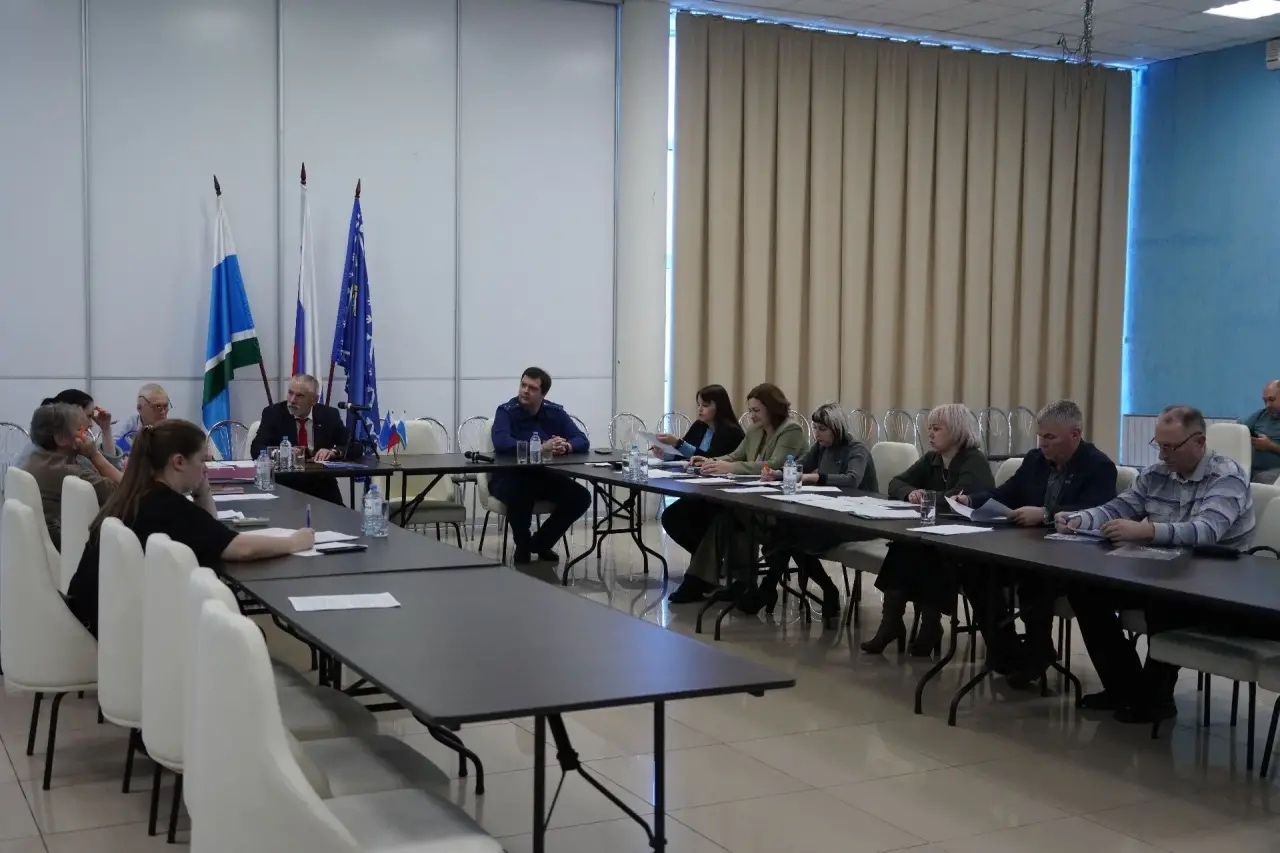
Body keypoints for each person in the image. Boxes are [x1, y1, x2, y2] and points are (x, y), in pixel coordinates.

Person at [1060, 405, 1255, 723]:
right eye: (1159, 445)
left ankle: (1156, 699)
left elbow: (1207, 531)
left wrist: (1147, 531)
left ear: (1199, 442)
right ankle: (1124, 686)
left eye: (1170, 447)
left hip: (1219, 584)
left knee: (1163, 601)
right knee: (1084, 588)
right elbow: (1118, 507)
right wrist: (1079, 519)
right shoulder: (1156, 474)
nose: (1163, 455)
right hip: (1163, 570)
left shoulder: (1227, 476)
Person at [65, 420, 314, 636]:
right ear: (179, 462)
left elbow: (211, 534)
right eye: (203, 460)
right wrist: (295, 541)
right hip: (118, 631)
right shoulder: (166, 506)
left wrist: (202, 492)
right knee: (247, 634)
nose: (206, 468)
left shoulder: (137, 494)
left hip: (97, 618)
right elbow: (239, 548)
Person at [955, 400, 1117, 683]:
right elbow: (1006, 493)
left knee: (1034, 579)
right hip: (1027, 546)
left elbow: (1095, 510)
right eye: (1040, 436)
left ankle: (1038, 650)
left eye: (1050, 437)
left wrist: (1046, 514)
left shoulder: (1099, 466)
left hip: (1070, 557)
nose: (1042, 443)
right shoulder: (1034, 460)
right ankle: (1004, 648)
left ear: (1075, 435)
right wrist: (971, 500)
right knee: (974, 567)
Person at [861, 403, 994, 656]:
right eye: (930, 428)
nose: (930, 434)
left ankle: (930, 625)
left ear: (956, 431)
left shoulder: (974, 460)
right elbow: (896, 483)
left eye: (937, 428)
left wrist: (926, 496)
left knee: (930, 553)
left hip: (967, 541)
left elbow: (962, 496)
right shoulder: (932, 459)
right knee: (903, 547)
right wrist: (910, 493)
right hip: (934, 532)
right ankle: (891, 623)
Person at [666, 382, 808, 604]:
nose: (752, 415)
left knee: (729, 516)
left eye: (757, 410)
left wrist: (730, 467)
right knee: (727, 517)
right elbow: (735, 456)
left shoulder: (791, 430)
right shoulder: (754, 430)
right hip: (755, 499)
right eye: (750, 410)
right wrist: (711, 461)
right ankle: (726, 582)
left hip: (782, 506)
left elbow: (774, 465)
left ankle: (707, 581)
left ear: (772, 408)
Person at [744, 402, 878, 627]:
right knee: (786, 531)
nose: (817, 434)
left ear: (837, 428)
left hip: (857, 520)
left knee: (787, 536)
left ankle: (770, 588)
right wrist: (778, 474)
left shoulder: (856, 449)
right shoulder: (821, 447)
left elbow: (852, 479)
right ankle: (818, 589)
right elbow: (800, 466)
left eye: (822, 429)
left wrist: (814, 477)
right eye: (815, 428)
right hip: (830, 514)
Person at [488, 367, 592, 565]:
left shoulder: (555, 412)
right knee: (521, 491)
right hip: (509, 477)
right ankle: (523, 546)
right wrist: (540, 447)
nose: (525, 391)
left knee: (581, 497)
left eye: (532, 388)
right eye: (523, 385)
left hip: (544, 476)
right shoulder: (506, 411)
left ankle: (540, 543)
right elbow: (501, 442)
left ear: (543, 394)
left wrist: (566, 446)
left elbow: (581, 439)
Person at [656, 385, 745, 557]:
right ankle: (705, 560)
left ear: (719, 406)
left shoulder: (730, 431)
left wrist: (678, 443)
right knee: (672, 517)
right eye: (698, 405)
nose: (700, 409)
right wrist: (666, 454)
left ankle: (706, 560)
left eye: (705, 405)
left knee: (675, 517)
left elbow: (710, 459)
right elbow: (686, 454)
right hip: (699, 488)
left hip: (720, 493)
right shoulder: (699, 426)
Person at [17, 403, 122, 548]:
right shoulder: (69, 473)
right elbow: (124, 493)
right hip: (68, 547)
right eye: (80, 430)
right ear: (61, 438)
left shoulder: (32, 456)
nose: (86, 435)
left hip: (37, 542)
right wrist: (95, 455)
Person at [250, 374, 349, 506]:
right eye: (290, 393)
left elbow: (353, 445)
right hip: (285, 485)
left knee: (341, 516)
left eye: (299, 396)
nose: (292, 400)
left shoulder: (329, 415)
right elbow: (257, 447)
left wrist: (333, 452)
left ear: (314, 400)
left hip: (322, 485)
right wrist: (280, 453)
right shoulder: (274, 413)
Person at [1241, 379, 1280, 484]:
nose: (1267, 405)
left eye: (1271, 400)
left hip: (1274, 473)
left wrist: (1270, 446)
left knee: (1262, 479)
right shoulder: (1261, 415)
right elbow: (1238, 430)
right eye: (1265, 401)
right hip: (1253, 469)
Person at [115, 383, 172, 448]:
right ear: (139, 408)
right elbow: (110, 450)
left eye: (165, 406)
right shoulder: (126, 426)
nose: (163, 412)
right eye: (157, 407)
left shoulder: (171, 429)